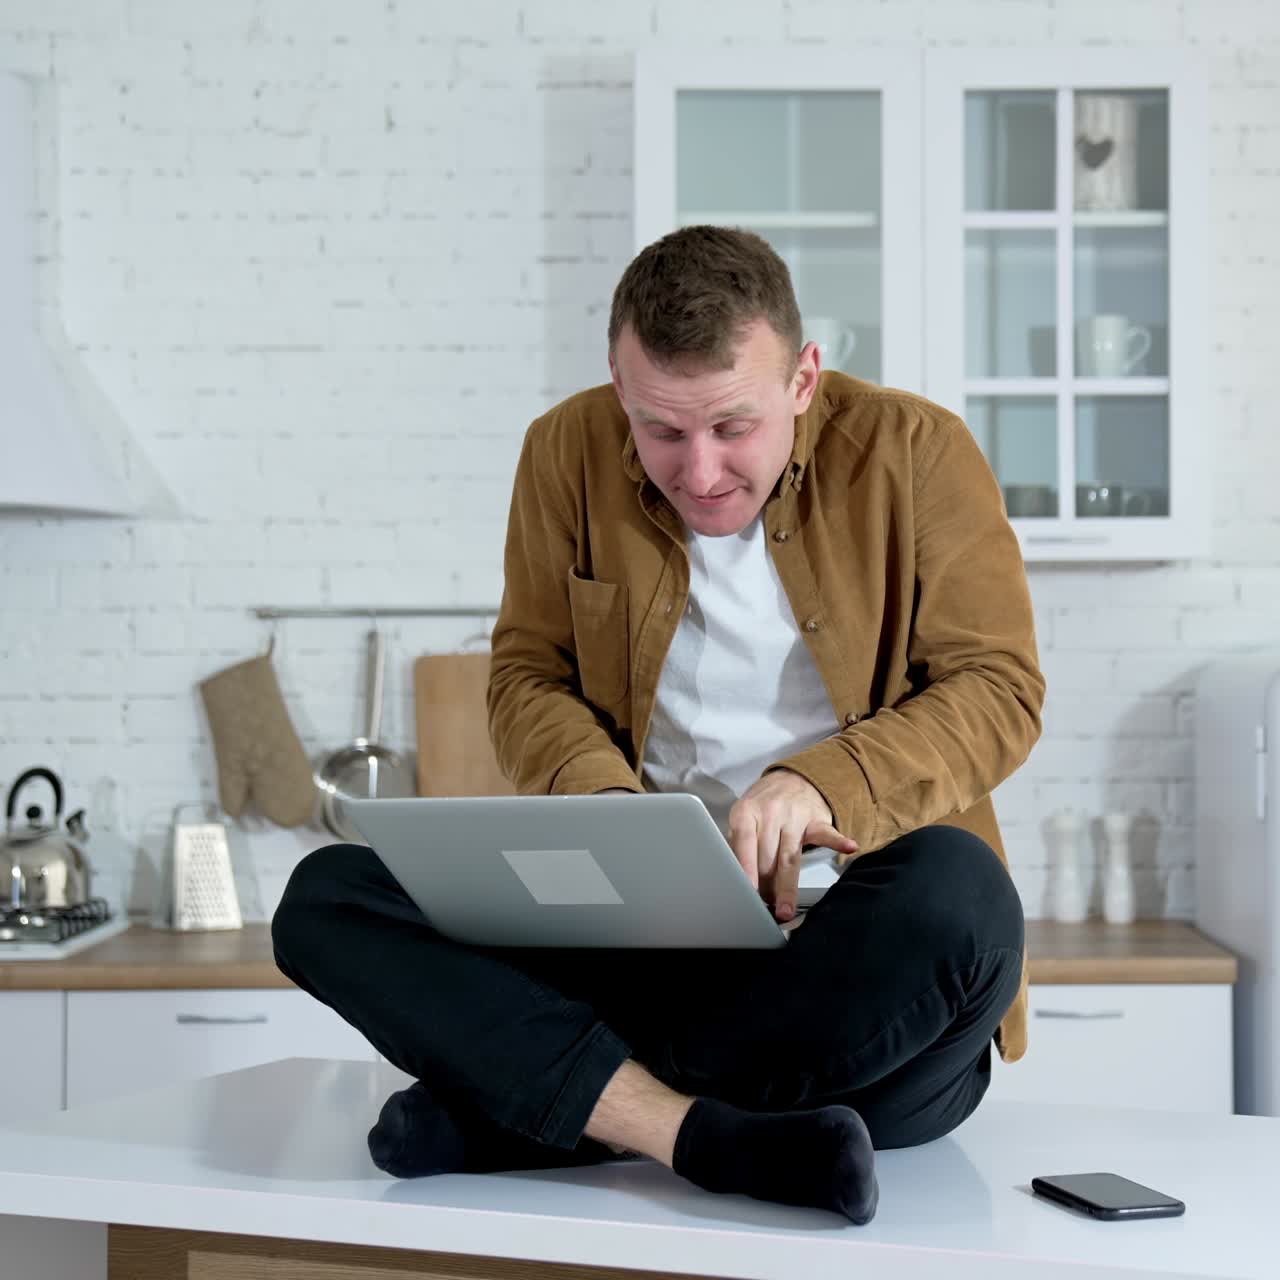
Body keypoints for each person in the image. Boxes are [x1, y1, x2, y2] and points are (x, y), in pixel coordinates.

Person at [272, 226, 1044, 1226]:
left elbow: (997, 686)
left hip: (850, 984)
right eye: (661, 430)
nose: (702, 469)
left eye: (732, 425)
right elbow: (525, 676)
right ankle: (695, 1134)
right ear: (616, 383)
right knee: (328, 896)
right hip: (638, 949)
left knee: (961, 896)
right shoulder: (562, 449)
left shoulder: (916, 450)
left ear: (803, 379)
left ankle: (543, 1107)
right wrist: (604, 813)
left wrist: (823, 780)